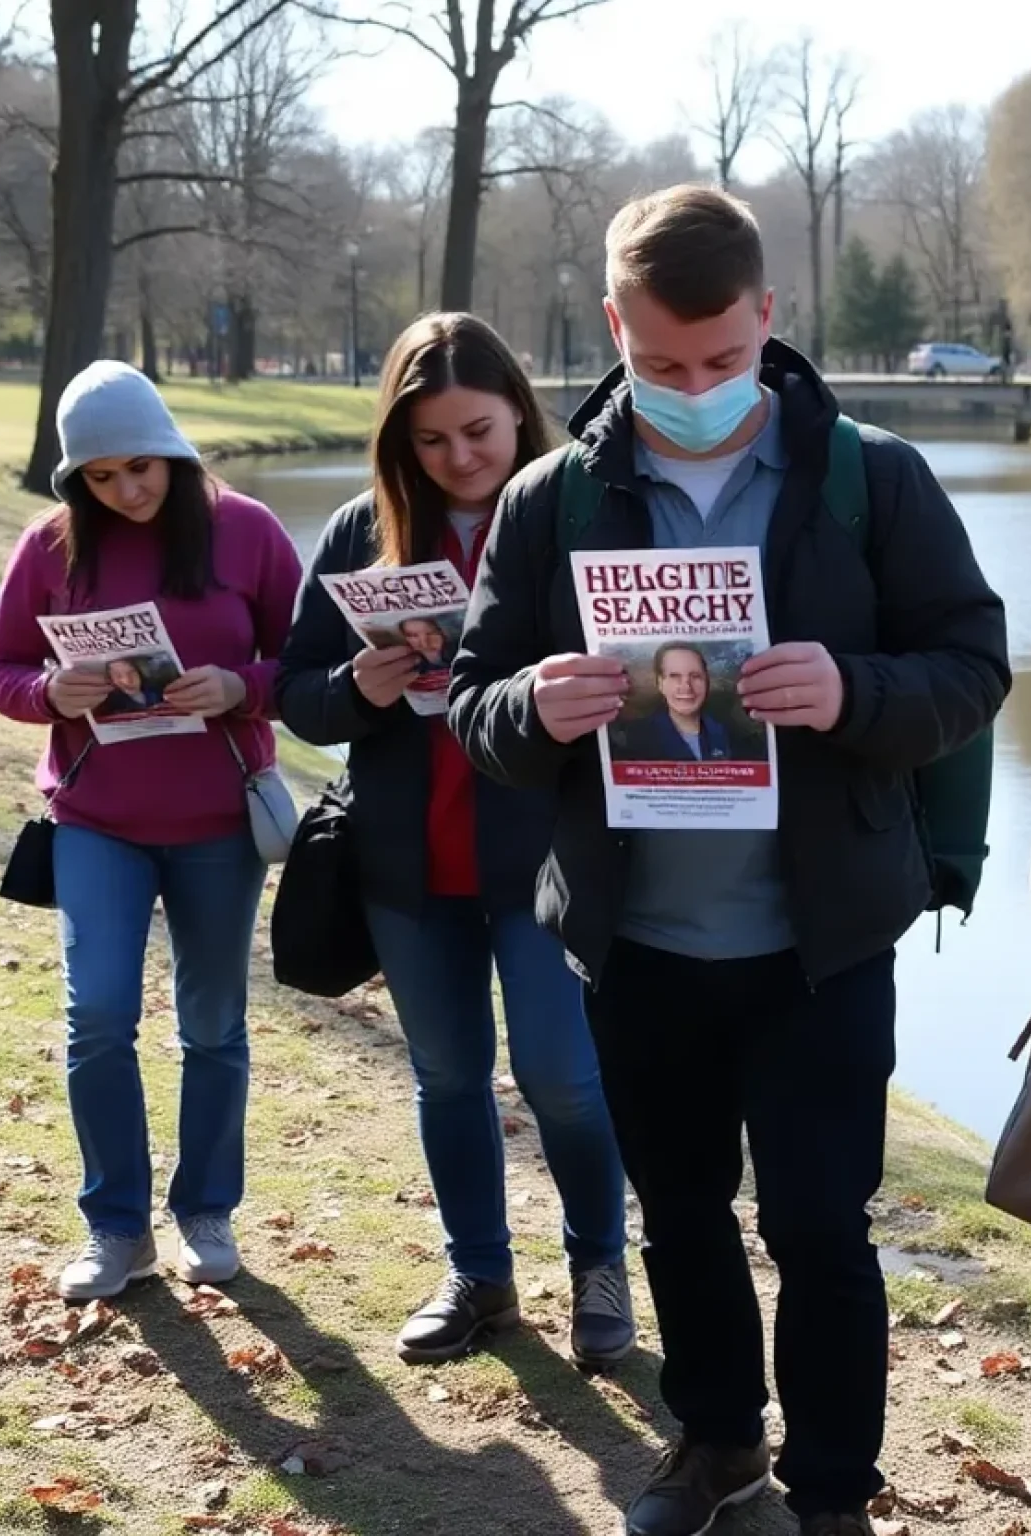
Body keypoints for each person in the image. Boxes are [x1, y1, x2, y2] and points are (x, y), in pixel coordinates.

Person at [449, 186, 1009, 1536]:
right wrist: (539, 705)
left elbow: (974, 665)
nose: (693, 389)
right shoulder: (552, 497)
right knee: (680, 1214)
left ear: (770, 314)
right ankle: (715, 1443)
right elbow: (475, 705)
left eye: (721, 359)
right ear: (611, 329)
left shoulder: (873, 476)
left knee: (821, 1227)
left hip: (820, 945)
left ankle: (830, 1489)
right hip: (638, 944)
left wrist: (853, 691)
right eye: (658, 365)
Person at [275, 312, 633, 1370]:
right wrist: (357, 685)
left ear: (520, 414)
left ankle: (598, 1267)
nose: (460, 458)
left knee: (565, 1077)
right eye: (431, 441)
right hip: (407, 861)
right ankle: (479, 1275)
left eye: (479, 431)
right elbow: (296, 691)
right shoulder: (361, 531)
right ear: (400, 446)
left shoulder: (579, 518)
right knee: (447, 1075)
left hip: (545, 861)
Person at [0, 359, 303, 1300]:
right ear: (75, 480)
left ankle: (205, 1209)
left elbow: (312, 663)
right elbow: (1, 667)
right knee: (97, 1019)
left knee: (212, 1025)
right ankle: (115, 1227)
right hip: (98, 821)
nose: (125, 490)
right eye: (100, 476)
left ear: (172, 449)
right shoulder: (50, 549)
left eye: (140, 467)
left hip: (218, 821)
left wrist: (243, 687)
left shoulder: (245, 529)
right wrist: (51, 693)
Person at [614, 642, 736, 763]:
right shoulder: (635, 738)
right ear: (660, 683)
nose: (686, 687)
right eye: (674, 676)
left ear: (707, 681)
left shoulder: (730, 735)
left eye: (695, 676)